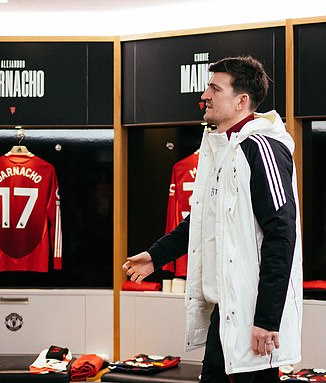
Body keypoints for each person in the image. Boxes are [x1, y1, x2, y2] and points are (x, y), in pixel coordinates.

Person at [122, 56, 302, 383]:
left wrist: (267, 319)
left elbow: (282, 236)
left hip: (253, 318)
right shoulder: (224, 148)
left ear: (241, 101)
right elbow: (204, 220)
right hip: (227, 312)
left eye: (214, 89)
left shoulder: (262, 149)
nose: (204, 96)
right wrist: (156, 256)